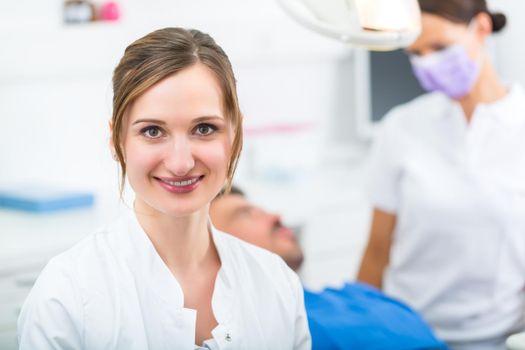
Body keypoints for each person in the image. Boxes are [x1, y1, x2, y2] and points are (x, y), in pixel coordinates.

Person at [17, 28, 311, 349]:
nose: (181, 162)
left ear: (235, 134)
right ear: (117, 140)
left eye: (204, 128)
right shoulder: (66, 297)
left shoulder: (277, 285)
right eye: (153, 131)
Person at [357, 1, 525, 349]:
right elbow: (377, 251)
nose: (428, 64)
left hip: (499, 337)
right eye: (416, 53)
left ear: (481, 28)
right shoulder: (402, 127)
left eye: (440, 48)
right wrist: (359, 325)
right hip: (406, 333)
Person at [210, 187, 448, 350]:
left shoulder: (357, 294)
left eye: (262, 209)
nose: (275, 216)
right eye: (246, 215)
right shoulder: (256, 335)